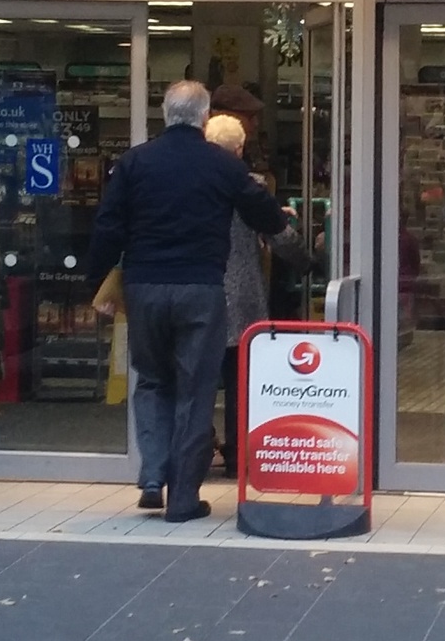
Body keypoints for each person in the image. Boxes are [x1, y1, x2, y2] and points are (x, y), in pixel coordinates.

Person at [89, 80, 294, 521]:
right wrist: (293, 241)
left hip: (144, 289)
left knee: (152, 381)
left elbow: (109, 227)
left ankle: (151, 475)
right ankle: (182, 497)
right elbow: (263, 213)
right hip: (201, 290)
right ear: (204, 117)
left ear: (165, 114)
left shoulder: (135, 162)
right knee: (195, 391)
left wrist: (93, 277)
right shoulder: (221, 165)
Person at [204, 112, 299, 471]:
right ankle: (238, 456)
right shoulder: (250, 184)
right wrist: (307, 259)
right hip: (242, 295)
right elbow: (278, 235)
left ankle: (198, 450)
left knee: (200, 379)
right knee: (240, 379)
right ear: (240, 148)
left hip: (204, 291)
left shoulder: (194, 183)